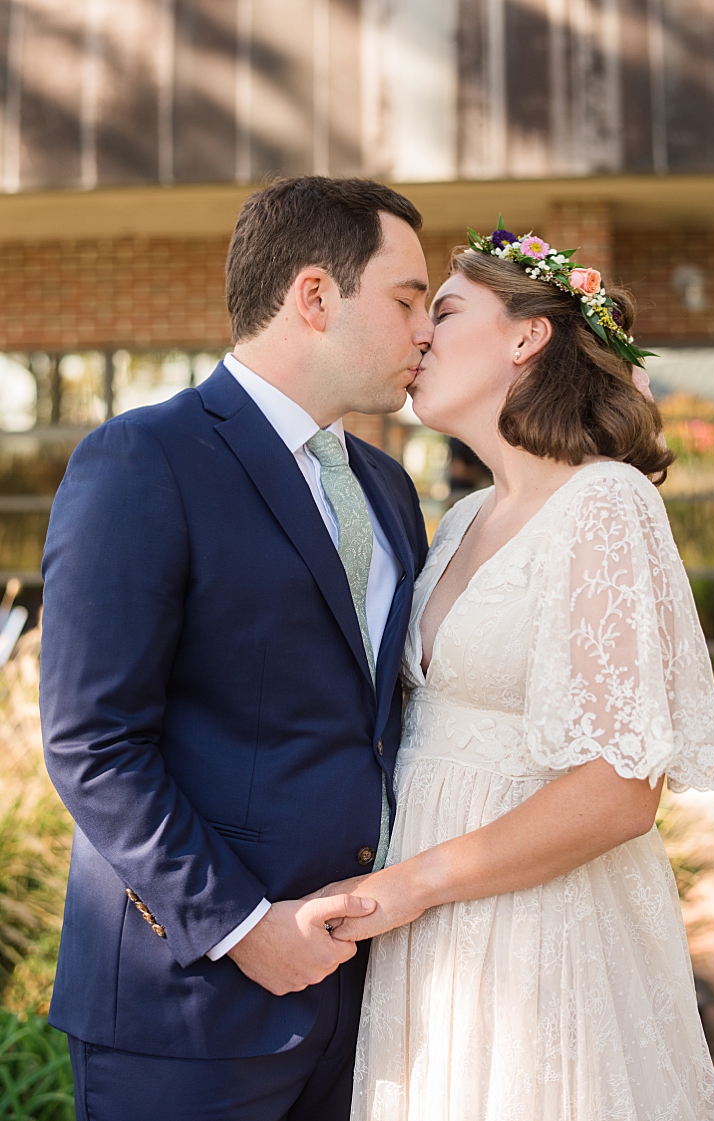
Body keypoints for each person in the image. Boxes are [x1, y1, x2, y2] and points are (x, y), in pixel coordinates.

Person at [40, 176, 433, 1119]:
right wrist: (242, 927)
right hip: (186, 1010)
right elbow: (92, 741)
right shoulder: (143, 459)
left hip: (358, 998)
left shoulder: (388, 486)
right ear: (314, 296)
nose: (426, 329)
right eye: (409, 299)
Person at [319, 223, 714, 1119]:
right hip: (433, 941)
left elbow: (622, 789)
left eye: (446, 311)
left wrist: (414, 882)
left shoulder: (605, 501)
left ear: (526, 336)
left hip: (539, 931)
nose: (421, 334)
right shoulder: (464, 517)